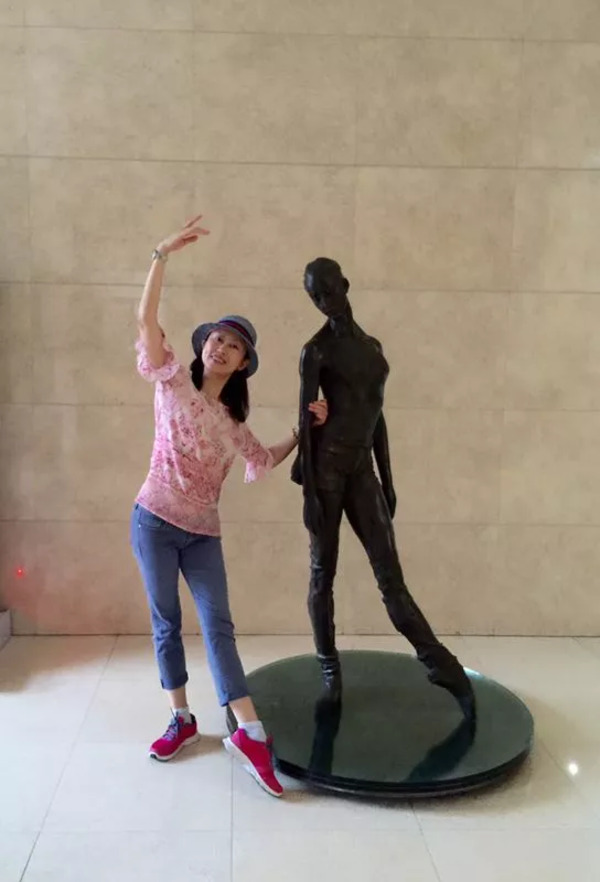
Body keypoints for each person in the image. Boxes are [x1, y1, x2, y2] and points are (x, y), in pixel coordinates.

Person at [131, 216, 328, 798]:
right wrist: (161, 253)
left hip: (202, 533)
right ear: (204, 346)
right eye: (216, 338)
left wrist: (304, 431)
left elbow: (263, 459)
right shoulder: (172, 381)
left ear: (243, 363)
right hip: (153, 520)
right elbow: (146, 321)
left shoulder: (231, 423)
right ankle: (182, 717)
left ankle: (249, 732)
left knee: (218, 625)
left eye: (233, 345)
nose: (220, 347)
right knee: (167, 622)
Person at [291, 256, 474, 717]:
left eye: (329, 290)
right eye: (315, 296)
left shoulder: (372, 347)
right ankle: (329, 667)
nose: (324, 301)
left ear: (345, 285)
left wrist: (387, 479)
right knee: (322, 572)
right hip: (326, 470)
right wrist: (310, 493)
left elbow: (376, 415)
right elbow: (305, 421)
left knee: (390, 576)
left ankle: (438, 662)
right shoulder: (315, 351)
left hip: (361, 471)